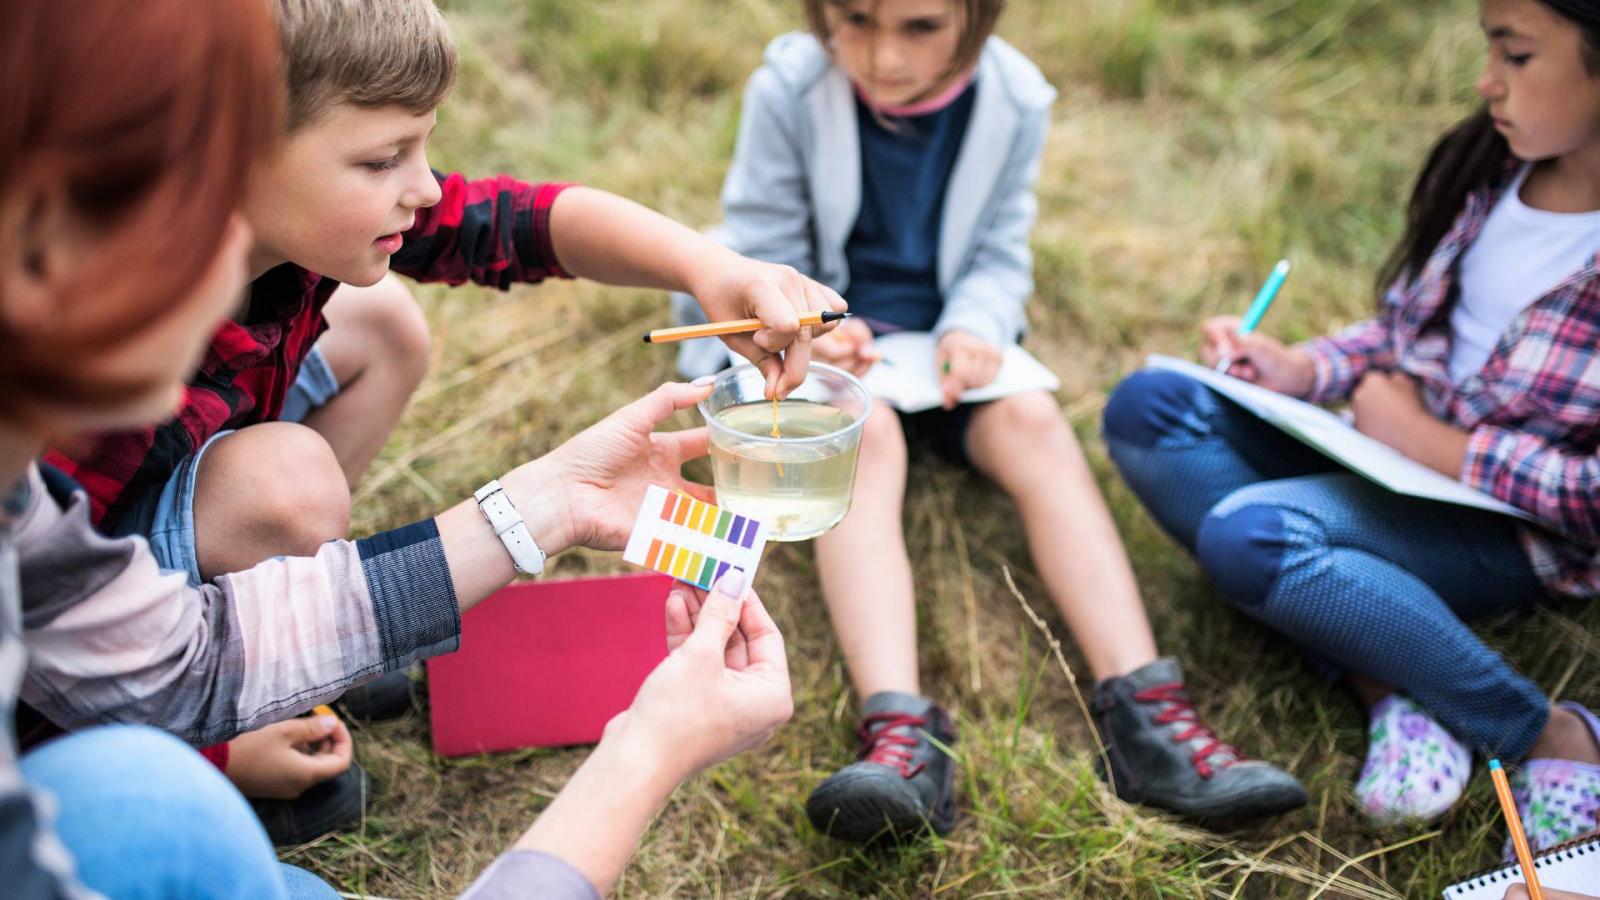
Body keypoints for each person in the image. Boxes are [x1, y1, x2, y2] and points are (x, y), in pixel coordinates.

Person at [42, 0, 845, 841]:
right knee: (289, 486)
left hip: (161, 502)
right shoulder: (93, 375)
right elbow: (47, 653)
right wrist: (214, 754)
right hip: (107, 621)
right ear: (229, 154)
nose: (423, 188)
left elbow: (516, 221)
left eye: (422, 146)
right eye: (384, 159)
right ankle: (245, 687)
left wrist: (709, 267)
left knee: (384, 324)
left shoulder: (299, 224)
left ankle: (298, 629)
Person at [673, 0, 1306, 843]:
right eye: (854, 20)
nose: (883, 54)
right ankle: (900, 736)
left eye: (919, 27)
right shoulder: (790, 86)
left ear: (977, 16)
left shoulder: (1016, 98)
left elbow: (1001, 253)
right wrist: (819, 325)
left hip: (946, 354)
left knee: (1036, 426)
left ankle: (1152, 722)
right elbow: (760, 247)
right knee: (869, 442)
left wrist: (976, 324)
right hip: (826, 350)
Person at [1101, 0, 1600, 850]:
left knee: (1252, 536)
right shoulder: (1494, 170)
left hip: (1508, 528)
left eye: (1516, 56)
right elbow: (1406, 332)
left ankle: (1547, 735)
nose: (1487, 83)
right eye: (1489, 48)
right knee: (1149, 407)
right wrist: (1301, 369)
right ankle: (1390, 675)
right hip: (1384, 456)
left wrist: (1425, 441)